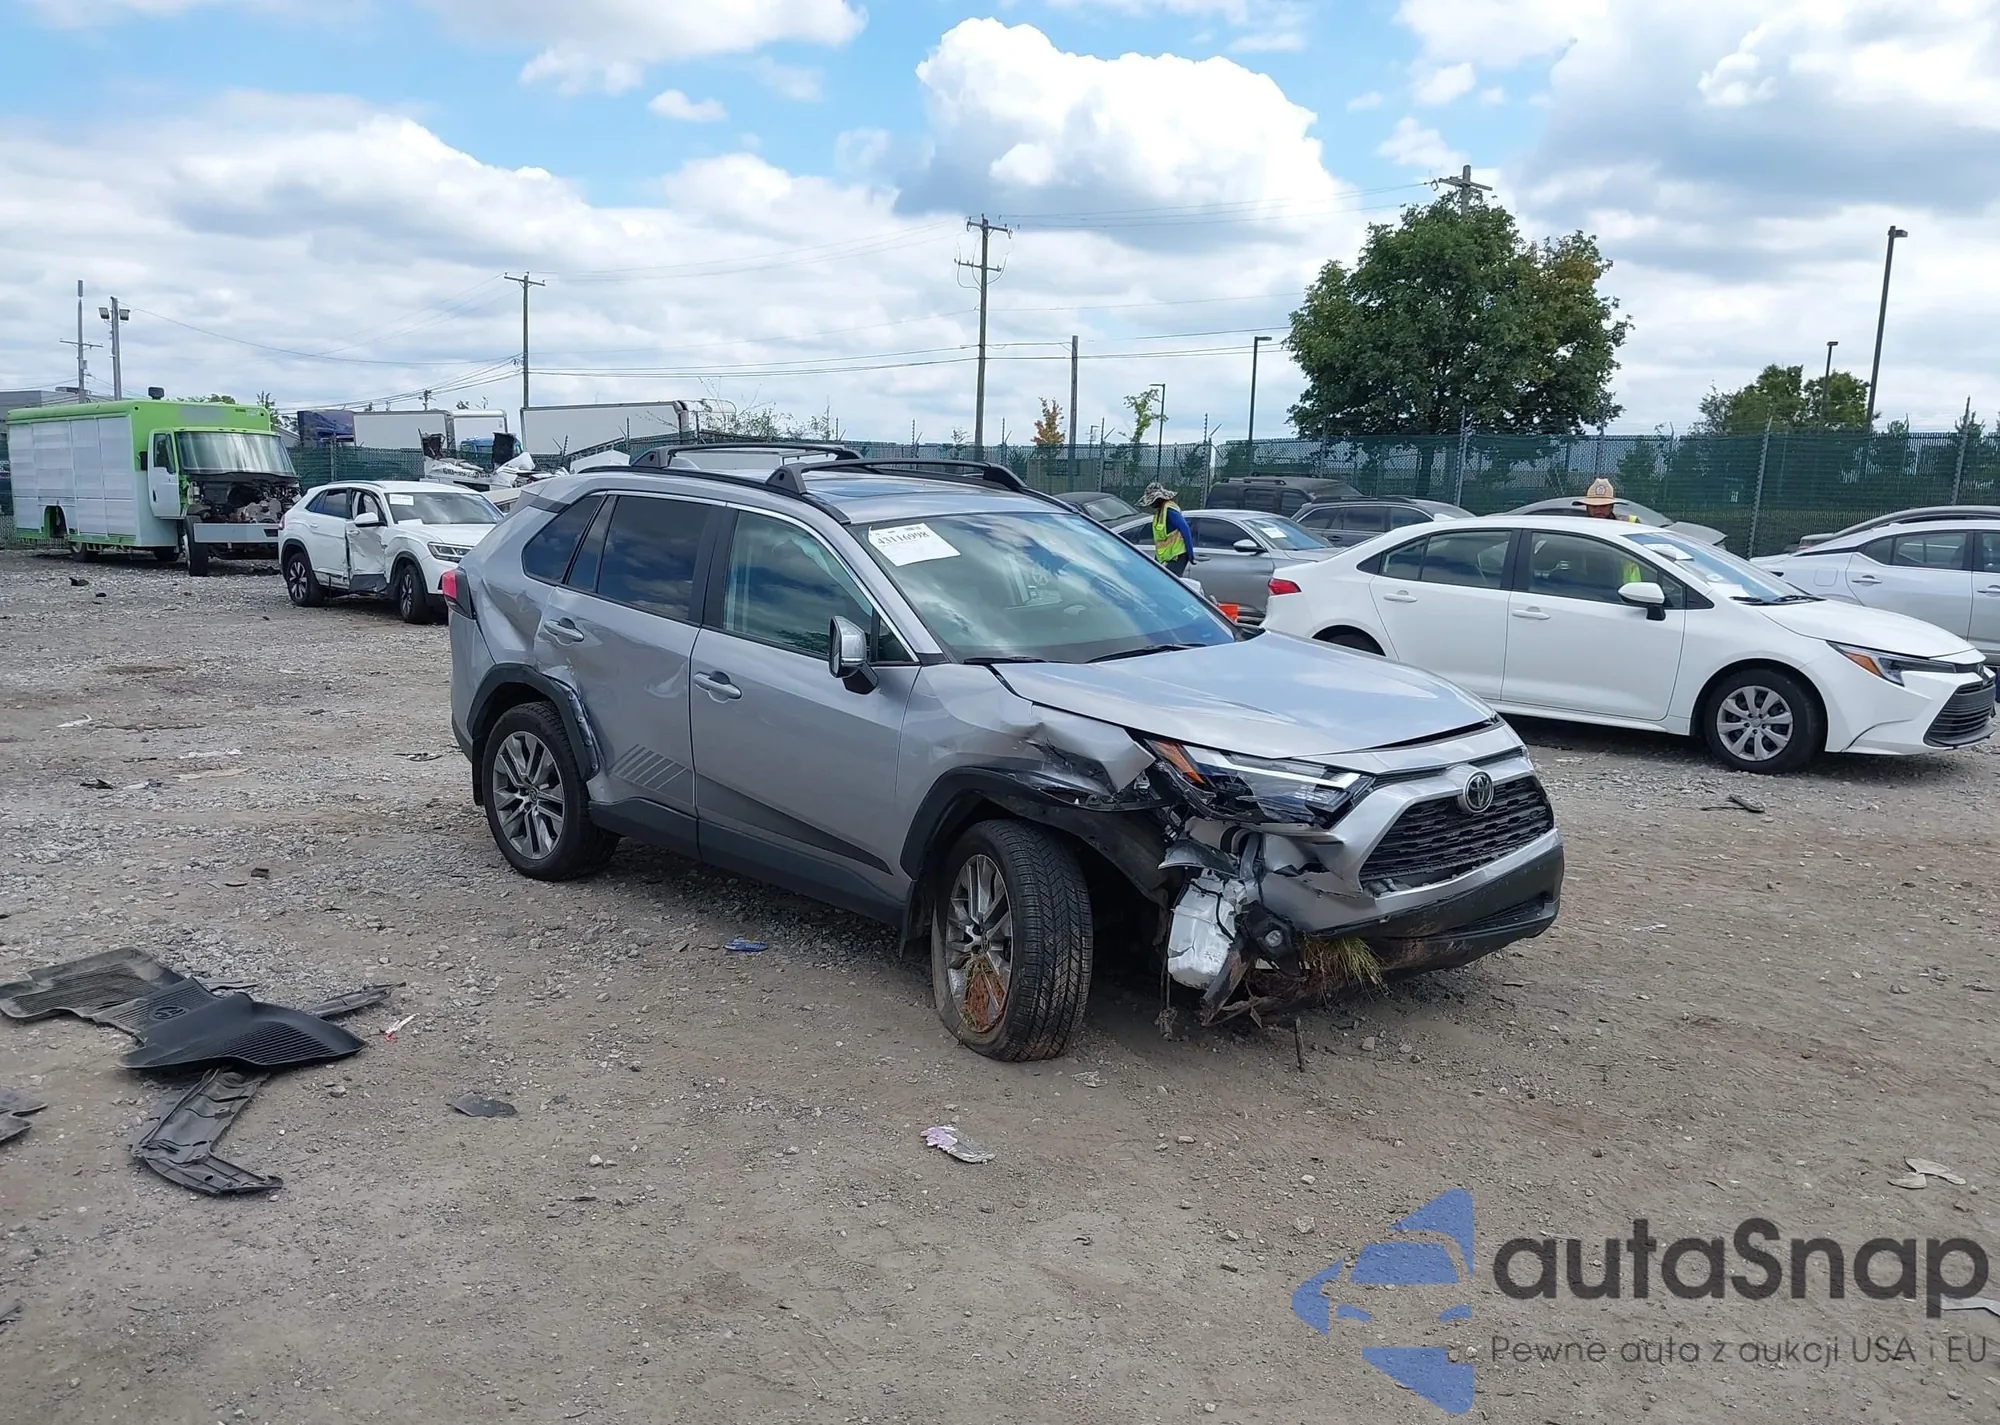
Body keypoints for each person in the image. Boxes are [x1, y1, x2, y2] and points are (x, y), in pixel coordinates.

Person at [1143, 483, 1194, 577]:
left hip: (1177, 554)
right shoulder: (1160, 513)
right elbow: (1160, 540)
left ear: (1158, 499)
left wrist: (1190, 552)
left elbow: (1184, 528)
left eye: (1152, 501)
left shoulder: (1169, 510)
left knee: (1170, 581)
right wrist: (1157, 560)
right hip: (1168, 556)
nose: (1151, 505)